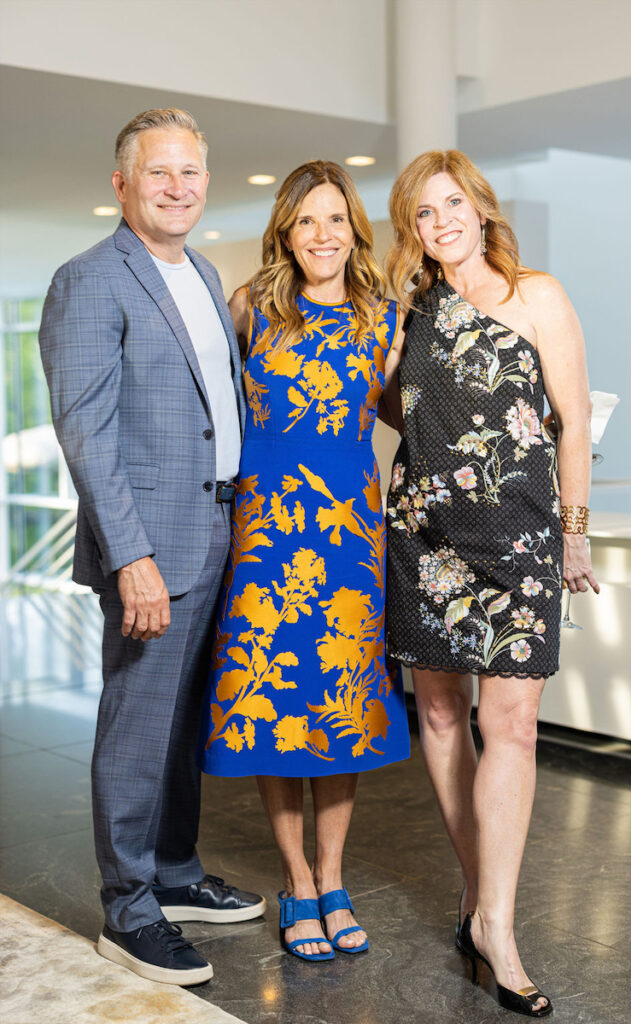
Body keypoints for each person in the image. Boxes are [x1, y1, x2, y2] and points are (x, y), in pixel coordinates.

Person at [39, 108, 265, 987]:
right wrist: (131, 558)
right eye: (160, 173)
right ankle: (129, 911)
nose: (179, 189)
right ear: (122, 183)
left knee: (181, 721)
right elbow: (87, 430)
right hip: (151, 543)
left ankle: (173, 875)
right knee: (137, 725)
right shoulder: (90, 280)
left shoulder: (204, 271)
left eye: (191, 174)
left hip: (216, 526)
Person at [383, 150, 599, 1017]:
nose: (441, 224)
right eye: (422, 216)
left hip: (519, 539)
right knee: (439, 713)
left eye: (451, 206)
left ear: (480, 207)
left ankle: (498, 926)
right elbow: (391, 404)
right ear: (414, 232)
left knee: (508, 722)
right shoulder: (409, 310)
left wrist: (575, 535)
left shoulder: (537, 295)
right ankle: (482, 901)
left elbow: (574, 422)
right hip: (425, 536)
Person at [199, 160, 410, 962]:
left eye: (335, 219)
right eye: (306, 221)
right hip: (263, 536)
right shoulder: (251, 308)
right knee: (272, 709)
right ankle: (296, 882)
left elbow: (410, 417)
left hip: (348, 540)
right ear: (286, 231)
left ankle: (333, 877)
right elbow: (210, 411)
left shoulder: (385, 320)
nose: (322, 235)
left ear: (355, 226)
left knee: (341, 708)